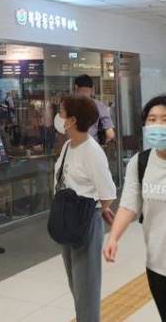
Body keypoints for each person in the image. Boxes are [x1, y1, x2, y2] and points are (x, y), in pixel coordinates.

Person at [53, 95, 116, 322]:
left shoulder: (92, 151)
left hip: (85, 222)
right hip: (67, 220)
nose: (58, 117)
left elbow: (107, 194)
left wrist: (95, 209)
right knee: (75, 281)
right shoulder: (68, 146)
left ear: (72, 120)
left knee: (86, 285)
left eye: (61, 112)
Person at [104, 95, 166, 321]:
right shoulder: (140, 163)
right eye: (152, 119)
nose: (158, 125)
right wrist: (113, 237)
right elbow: (129, 205)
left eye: (165, 119)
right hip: (157, 265)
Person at [74, 74, 115, 144]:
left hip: (73, 146)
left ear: (76, 88)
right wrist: (99, 145)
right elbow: (110, 135)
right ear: (92, 89)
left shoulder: (69, 105)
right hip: (92, 145)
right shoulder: (100, 106)